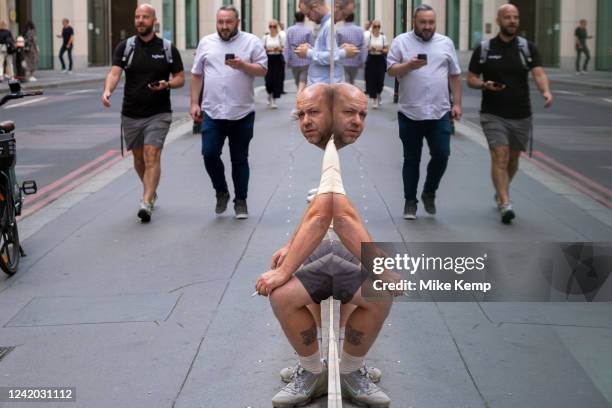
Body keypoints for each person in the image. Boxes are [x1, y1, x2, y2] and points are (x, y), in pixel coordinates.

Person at [467, 4, 552, 224]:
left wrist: (546, 91)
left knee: (513, 159)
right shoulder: (485, 48)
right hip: (493, 114)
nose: (512, 21)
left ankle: (500, 190)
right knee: (500, 156)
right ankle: (505, 203)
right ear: (498, 21)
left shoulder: (527, 48)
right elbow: (471, 78)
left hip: (521, 113)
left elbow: (539, 73)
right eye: (508, 17)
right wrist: (484, 84)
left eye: (515, 17)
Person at [101, 3, 185, 223]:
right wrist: (108, 90)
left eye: (144, 17)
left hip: (159, 113)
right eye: (137, 17)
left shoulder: (166, 48)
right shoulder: (125, 47)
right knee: (138, 159)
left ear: (154, 20)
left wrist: (167, 84)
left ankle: (146, 202)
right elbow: (114, 73)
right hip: (131, 113)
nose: (140, 21)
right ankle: (151, 189)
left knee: (151, 155)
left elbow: (180, 78)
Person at [190, 5, 267, 220]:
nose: (224, 26)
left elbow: (262, 69)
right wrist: (194, 103)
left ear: (237, 22)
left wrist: (243, 65)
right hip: (212, 113)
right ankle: (221, 191)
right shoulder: (206, 42)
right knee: (209, 154)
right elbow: (196, 75)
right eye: (220, 22)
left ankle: (240, 201)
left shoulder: (251, 41)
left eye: (228, 22)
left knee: (239, 159)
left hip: (242, 112)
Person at [387, 4, 462, 220]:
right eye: (423, 22)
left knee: (442, 154)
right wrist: (408, 66)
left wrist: (456, 104)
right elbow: (391, 69)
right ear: (414, 22)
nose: (427, 26)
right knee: (411, 159)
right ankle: (410, 202)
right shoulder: (401, 41)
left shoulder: (445, 43)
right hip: (410, 112)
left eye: (431, 22)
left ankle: (429, 191)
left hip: (439, 112)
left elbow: (455, 75)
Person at [296, 0, 359, 85]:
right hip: (323, 85)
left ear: (315, 7)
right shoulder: (326, 24)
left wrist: (308, 52)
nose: (309, 18)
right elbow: (329, 52)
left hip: (325, 87)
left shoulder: (328, 25)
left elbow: (331, 57)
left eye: (308, 14)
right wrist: (312, 49)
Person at [284, 11, 313, 118]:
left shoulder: (290, 30)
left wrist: (286, 61)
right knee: (301, 85)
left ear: (295, 19)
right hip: (305, 59)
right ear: (304, 18)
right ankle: (302, 107)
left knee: (300, 85)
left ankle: (297, 108)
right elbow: (311, 46)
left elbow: (286, 47)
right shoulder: (308, 30)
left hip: (294, 60)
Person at [335, 13, 366, 85]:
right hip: (355, 60)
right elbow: (363, 47)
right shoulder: (360, 30)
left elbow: (335, 46)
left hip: (343, 60)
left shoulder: (339, 30)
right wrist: (363, 60)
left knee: (345, 81)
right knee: (351, 81)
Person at [364, 20, 388, 108]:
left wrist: (380, 50)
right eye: (375, 26)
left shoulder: (383, 37)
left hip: (380, 59)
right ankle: (374, 99)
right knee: (371, 80)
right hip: (371, 59)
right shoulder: (369, 37)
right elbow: (365, 48)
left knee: (380, 80)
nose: (377, 28)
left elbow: (386, 49)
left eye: (378, 26)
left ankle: (379, 94)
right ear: (372, 27)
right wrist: (370, 49)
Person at [262, 19, 285, 109]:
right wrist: (270, 49)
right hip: (268, 59)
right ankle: (269, 93)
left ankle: (274, 99)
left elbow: (282, 47)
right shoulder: (266, 37)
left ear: (277, 27)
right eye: (270, 26)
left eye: (274, 26)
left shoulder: (280, 36)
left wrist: (277, 49)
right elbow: (263, 48)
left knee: (276, 79)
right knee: (268, 80)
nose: (272, 28)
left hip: (277, 59)